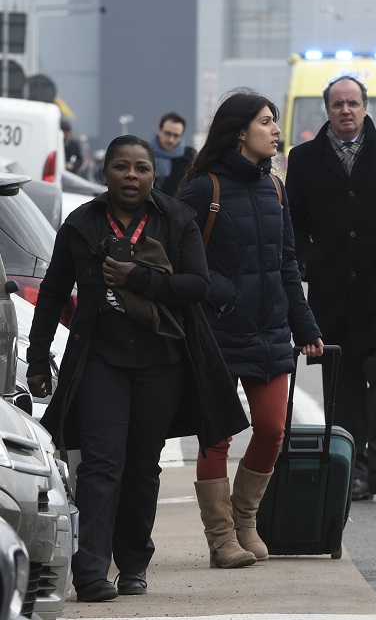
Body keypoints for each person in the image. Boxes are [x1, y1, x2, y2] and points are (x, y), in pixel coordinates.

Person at [26, 136, 249, 602]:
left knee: (143, 467)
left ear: (152, 175)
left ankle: (133, 566)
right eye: (122, 167)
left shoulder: (176, 219)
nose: (132, 176)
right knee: (101, 464)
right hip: (100, 361)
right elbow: (51, 294)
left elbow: (197, 285)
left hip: (161, 362)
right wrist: (38, 356)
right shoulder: (82, 223)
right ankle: (90, 571)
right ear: (104, 173)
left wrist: (138, 278)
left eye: (141, 168)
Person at [178, 90, 324, 568]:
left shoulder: (274, 188)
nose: (276, 130)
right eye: (267, 121)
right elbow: (180, 254)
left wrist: (304, 326)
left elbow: (286, 262)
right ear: (241, 131)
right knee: (216, 435)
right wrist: (223, 292)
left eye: (275, 121)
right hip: (218, 332)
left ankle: (245, 522)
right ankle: (220, 539)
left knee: (271, 429)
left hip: (270, 330)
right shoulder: (205, 189)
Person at [286, 75, 376, 501]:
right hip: (332, 293)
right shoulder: (305, 158)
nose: (345, 111)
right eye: (337, 105)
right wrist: (305, 261)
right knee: (344, 384)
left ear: (366, 106)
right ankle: (351, 471)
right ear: (327, 110)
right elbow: (295, 225)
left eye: (353, 103)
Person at [153, 111, 196, 195]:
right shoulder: (144, 154)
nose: (170, 139)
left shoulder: (189, 159)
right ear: (159, 130)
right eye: (168, 133)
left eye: (176, 135)